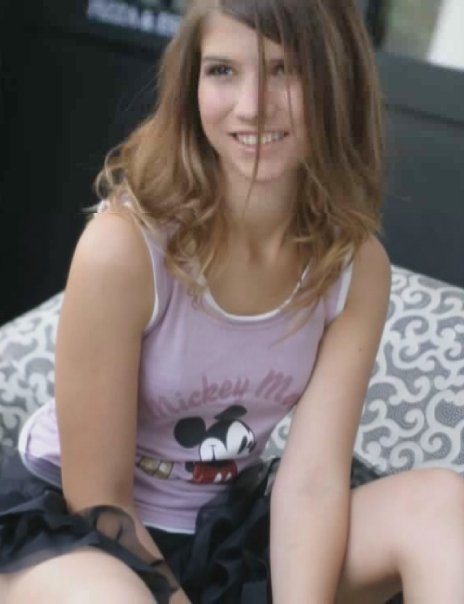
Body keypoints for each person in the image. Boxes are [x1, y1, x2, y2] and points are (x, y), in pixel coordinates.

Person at [2, 1, 464, 602]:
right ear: (190, 83)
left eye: (284, 70)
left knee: (440, 505)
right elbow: (100, 500)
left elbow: (312, 481)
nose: (252, 106)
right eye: (223, 70)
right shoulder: (125, 247)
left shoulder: (355, 267)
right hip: (77, 534)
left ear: (337, 81)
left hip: (228, 531)